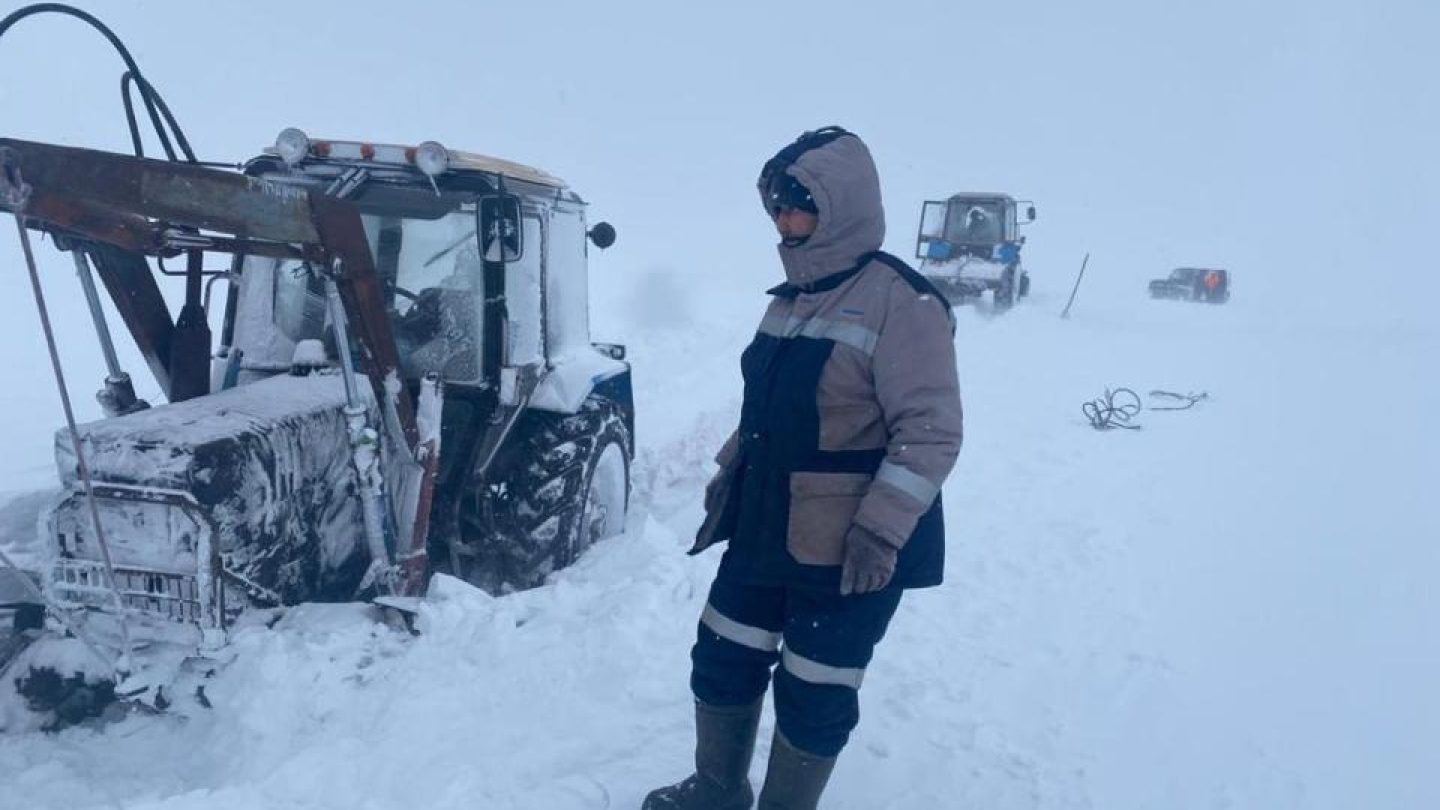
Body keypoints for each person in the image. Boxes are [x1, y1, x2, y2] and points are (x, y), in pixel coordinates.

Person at [642, 127, 964, 810]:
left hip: (848, 547)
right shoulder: (789, 299)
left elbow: (930, 431)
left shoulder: (903, 301)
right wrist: (733, 468)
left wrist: (880, 530)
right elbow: (769, 406)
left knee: (815, 688)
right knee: (723, 657)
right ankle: (718, 788)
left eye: (800, 209)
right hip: (766, 527)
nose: (786, 225)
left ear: (841, 207)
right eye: (779, 211)